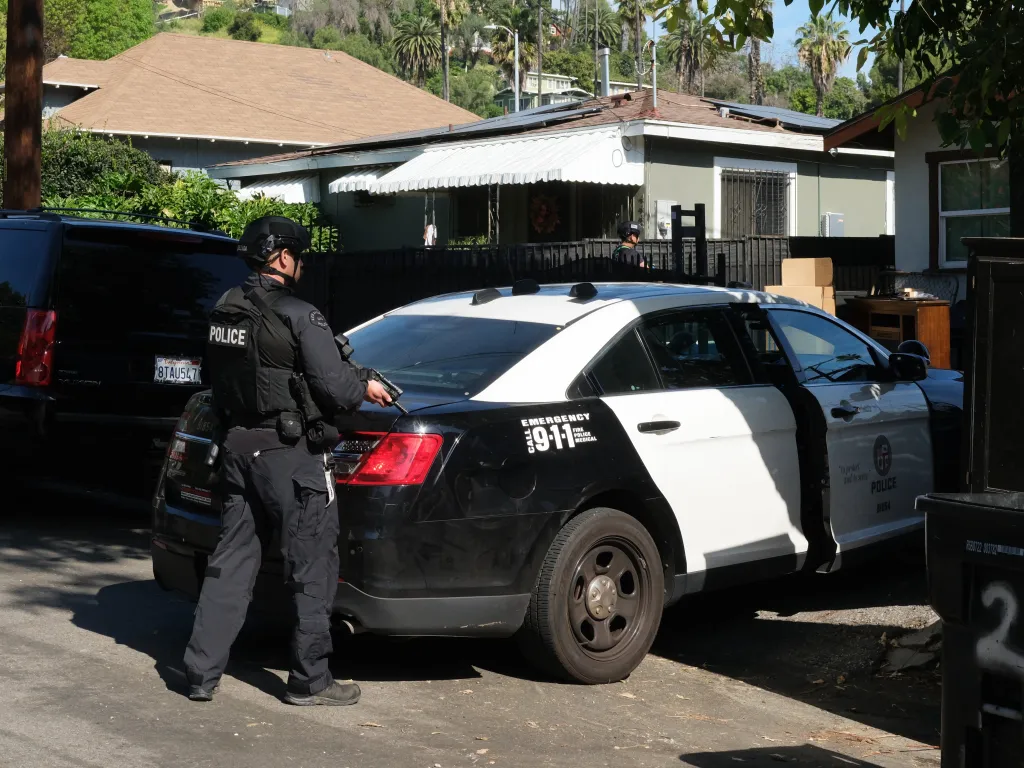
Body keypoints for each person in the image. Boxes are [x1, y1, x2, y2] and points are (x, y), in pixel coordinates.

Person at [183, 215, 391, 707]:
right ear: (281, 257)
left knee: (229, 563)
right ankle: (311, 680)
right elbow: (336, 389)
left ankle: (199, 672)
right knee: (312, 565)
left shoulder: (223, 309)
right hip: (288, 456)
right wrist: (366, 385)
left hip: (237, 448)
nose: (301, 265)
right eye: (298, 256)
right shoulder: (300, 314)